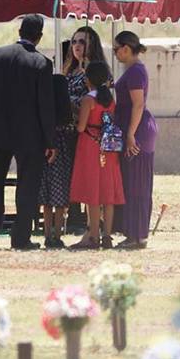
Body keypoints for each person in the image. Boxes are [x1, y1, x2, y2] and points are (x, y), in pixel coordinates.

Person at [0, 14, 56, 251]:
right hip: (30, 136)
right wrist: (50, 139)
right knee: (28, 185)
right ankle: (21, 238)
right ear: (39, 37)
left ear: (19, 31)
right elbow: (46, 106)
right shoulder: (41, 63)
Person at [39, 26, 108, 248]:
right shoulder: (67, 70)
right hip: (64, 134)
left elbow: (98, 105)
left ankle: (93, 230)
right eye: (75, 41)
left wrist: (72, 104)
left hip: (86, 133)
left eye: (83, 42)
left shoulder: (97, 73)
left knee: (89, 185)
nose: (77, 46)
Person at [68, 61, 124, 250]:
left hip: (90, 146)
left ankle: (93, 236)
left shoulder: (88, 100)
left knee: (93, 193)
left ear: (88, 79)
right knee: (107, 193)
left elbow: (81, 127)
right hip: (108, 147)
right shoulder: (110, 100)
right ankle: (107, 236)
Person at [114, 31, 158, 250]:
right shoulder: (132, 70)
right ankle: (133, 232)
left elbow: (138, 104)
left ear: (126, 49)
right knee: (131, 184)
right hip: (134, 130)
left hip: (138, 133)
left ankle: (137, 234)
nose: (115, 54)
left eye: (116, 49)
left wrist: (130, 133)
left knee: (137, 185)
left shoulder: (135, 72)